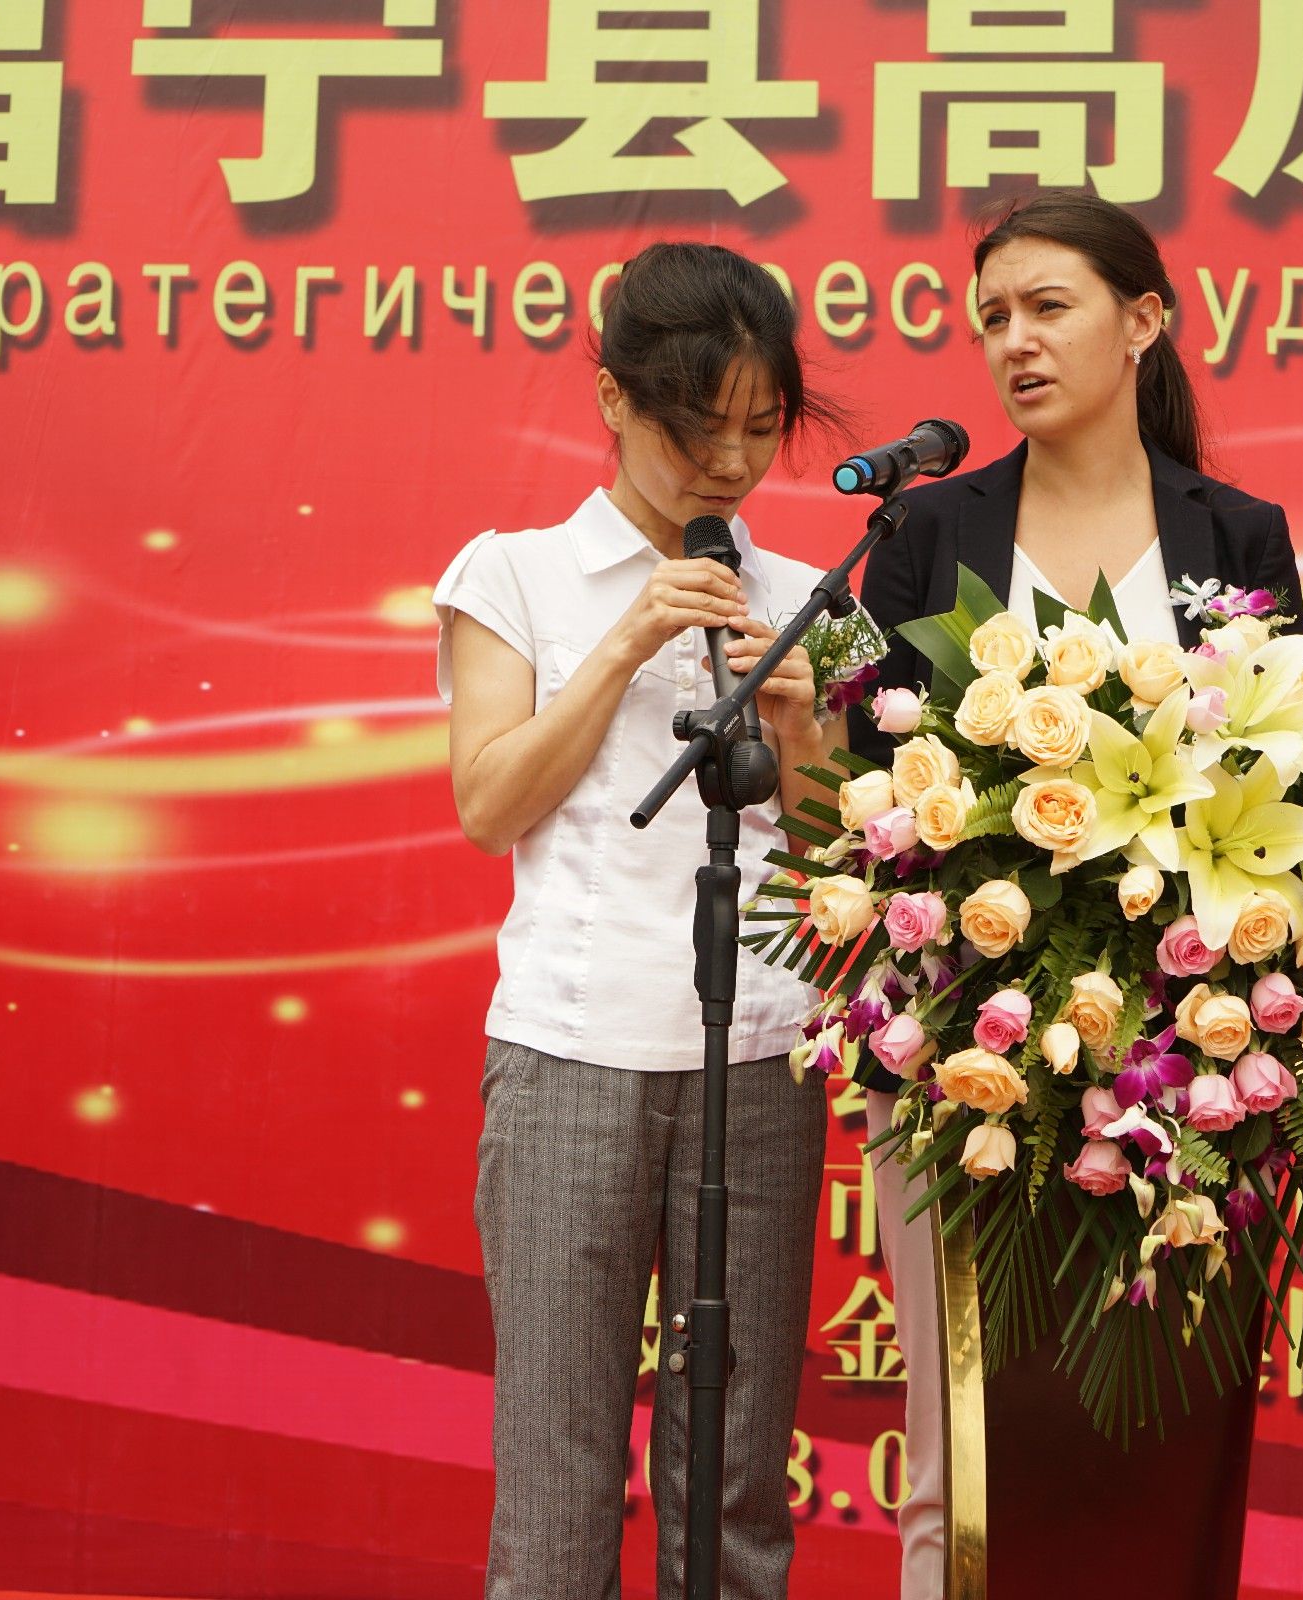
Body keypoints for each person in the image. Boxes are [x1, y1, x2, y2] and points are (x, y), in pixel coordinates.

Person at [848, 191, 1303, 1600]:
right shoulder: (929, 529)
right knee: (964, 1438)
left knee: (1163, 1432)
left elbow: (1290, 766)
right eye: (993, 318)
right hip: (962, 1039)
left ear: (1143, 321)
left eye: (1049, 308)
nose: (1015, 342)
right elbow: (868, 775)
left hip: (1195, 1053)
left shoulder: (1238, 532)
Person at [437, 241, 843, 1600]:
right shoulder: (513, 575)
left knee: (735, 1477)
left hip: (761, 1057)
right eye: (694, 429)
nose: (728, 464)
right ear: (613, 399)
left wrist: (806, 738)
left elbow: (851, 857)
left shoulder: (808, 598)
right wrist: (623, 644)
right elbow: (489, 804)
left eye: (759, 429)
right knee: (558, 1475)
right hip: (570, 1050)